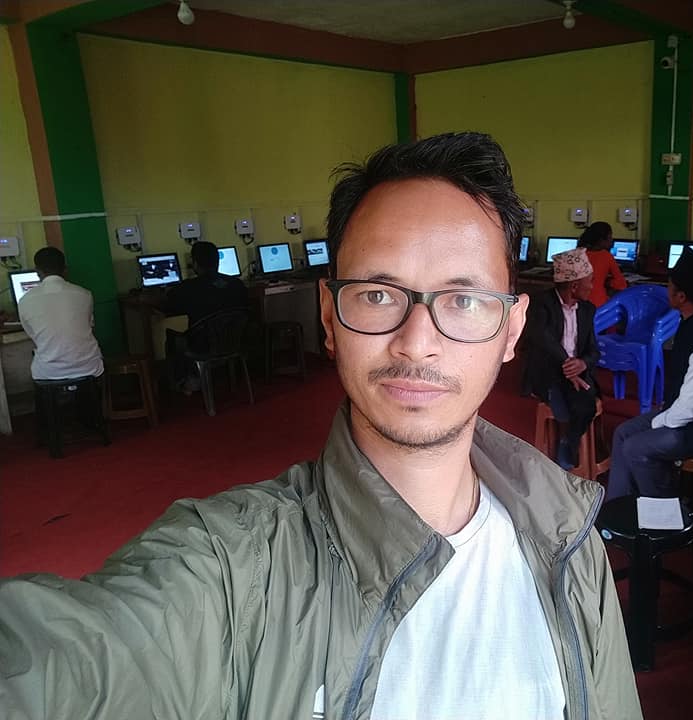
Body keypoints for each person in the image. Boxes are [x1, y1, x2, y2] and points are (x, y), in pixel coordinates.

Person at [0, 132, 642, 719]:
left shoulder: (569, 536)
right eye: (378, 295)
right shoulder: (233, 570)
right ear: (330, 318)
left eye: (464, 299)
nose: (417, 342)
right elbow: (62, 665)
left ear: (511, 329)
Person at [606, 247, 693, 500]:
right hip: (687, 413)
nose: (666, 290)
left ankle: (667, 518)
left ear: (681, 296)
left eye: (669, 286)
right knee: (622, 433)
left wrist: (657, 422)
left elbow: (691, 409)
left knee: (637, 447)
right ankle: (618, 507)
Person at [521, 246, 599, 470]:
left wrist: (581, 364)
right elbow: (543, 339)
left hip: (577, 373)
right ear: (574, 286)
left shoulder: (587, 310)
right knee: (563, 408)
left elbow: (594, 351)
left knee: (585, 405)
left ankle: (567, 442)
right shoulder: (541, 304)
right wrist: (568, 365)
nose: (592, 287)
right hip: (548, 372)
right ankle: (562, 450)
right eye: (590, 282)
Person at [163, 240, 248, 391]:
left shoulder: (188, 288)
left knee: (172, 339)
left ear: (195, 264)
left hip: (203, 345)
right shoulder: (237, 284)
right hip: (235, 342)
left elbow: (168, 306)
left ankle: (184, 383)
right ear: (218, 261)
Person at [17, 246, 103, 381]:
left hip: (48, 373)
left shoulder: (24, 301)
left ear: (37, 271)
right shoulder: (84, 294)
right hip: (89, 369)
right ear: (65, 269)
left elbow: (32, 335)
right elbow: (89, 325)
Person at [578, 220, 627, 309]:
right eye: (610, 237)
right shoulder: (606, 256)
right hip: (597, 304)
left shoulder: (577, 254)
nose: (612, 241)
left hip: (577, 303)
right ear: (601, 240)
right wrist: (608, 282)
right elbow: (621, 284)